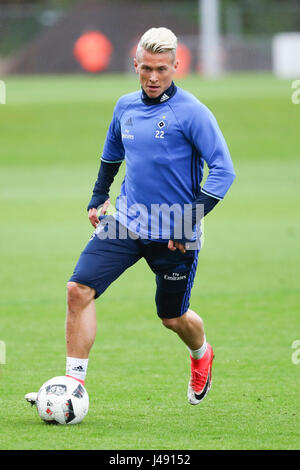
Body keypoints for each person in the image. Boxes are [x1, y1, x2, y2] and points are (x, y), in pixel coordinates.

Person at [26, 27, 235, 408]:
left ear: (175, 66)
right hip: (125, 221)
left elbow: (224, 170)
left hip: (176, 229)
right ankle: (74, 386)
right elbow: (112, 152)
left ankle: (201, 352)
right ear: (135, 64)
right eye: (146, 69)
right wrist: (98, 196)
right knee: (78, 290)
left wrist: (189, 221)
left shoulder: (192, 113)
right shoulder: (125, 106)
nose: (153, 78)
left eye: (162, 69)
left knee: (172, 318)